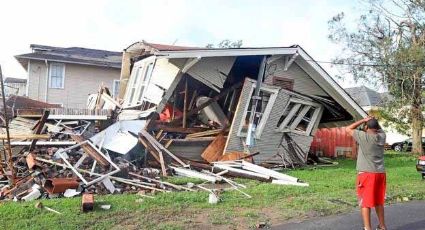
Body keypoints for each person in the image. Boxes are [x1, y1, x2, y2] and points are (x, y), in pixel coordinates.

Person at [346, 116, 387, 230]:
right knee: (379, 201)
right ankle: (382, 226)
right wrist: (374, 122)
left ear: (366, 127)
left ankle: (367, 228)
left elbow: (348, 129)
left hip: (367, 174)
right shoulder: (382, 136)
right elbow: (378, 128)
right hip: (380, 174)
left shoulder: (364, 136)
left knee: (365, 203)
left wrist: (363, 120)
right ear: (377, 127)